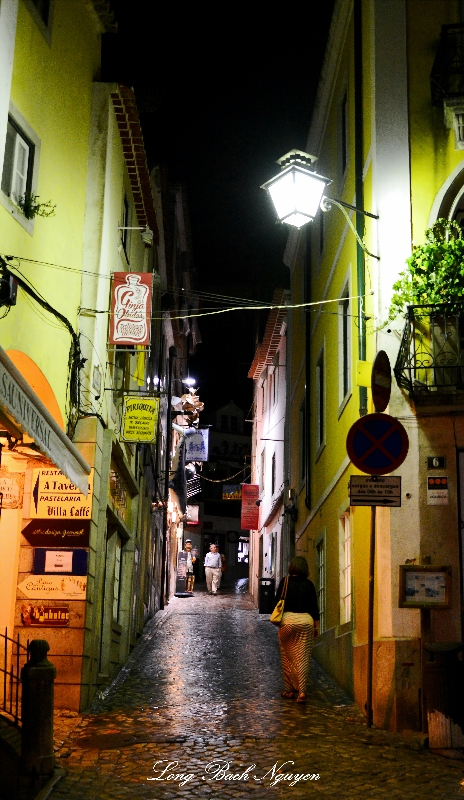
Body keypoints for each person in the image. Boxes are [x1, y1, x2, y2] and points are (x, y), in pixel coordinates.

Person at [274, 555, 320, 704]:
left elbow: (276, 602)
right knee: (303, 657)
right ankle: (301, 692)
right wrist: (316, 626)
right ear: (305, 569)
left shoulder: (285, 582)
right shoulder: (309, 585)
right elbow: (314, 607)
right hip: (306, 622)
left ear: (291, 567)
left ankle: (288, 690)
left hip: (287, 621)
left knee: (286, 656)